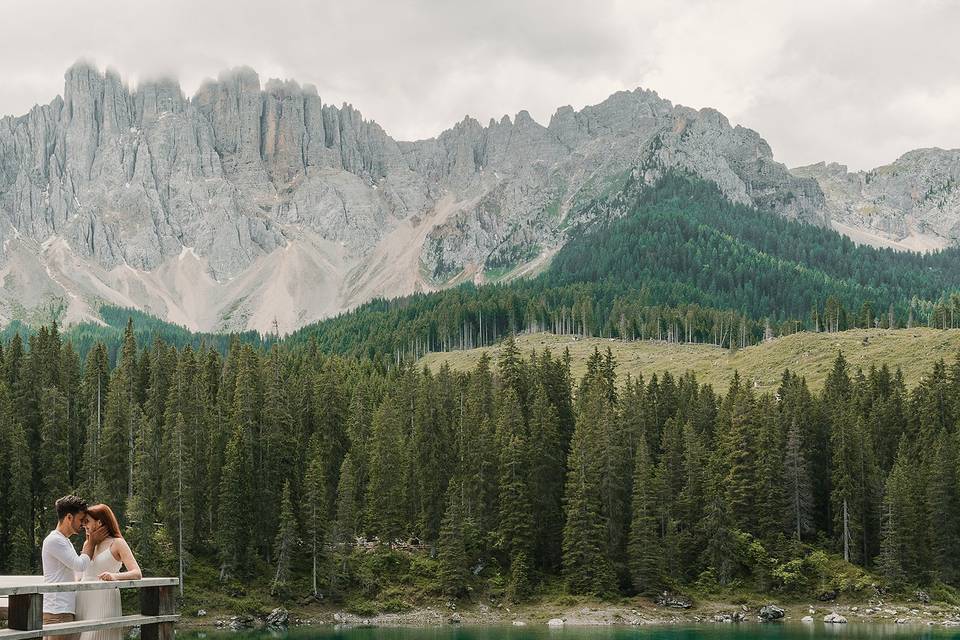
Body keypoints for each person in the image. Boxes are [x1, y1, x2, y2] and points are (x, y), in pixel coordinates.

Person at [41, 495, 107, 640]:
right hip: (57, 612)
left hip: (60, 610)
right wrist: (92, 542)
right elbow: (80, 565)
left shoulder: (64, 541)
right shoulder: (55, 540)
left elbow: (76, 571)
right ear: (69, 517)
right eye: (80, 519)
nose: (83, 524)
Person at [75, 504, 142, 640]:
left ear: (99, 522)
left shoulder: (117, 543)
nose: (84, 526)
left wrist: (114, 576)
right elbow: (80, 573)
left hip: (104, 599)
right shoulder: (87, 545)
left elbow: (137, 573)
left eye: (87, 521)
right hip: (82, 600)